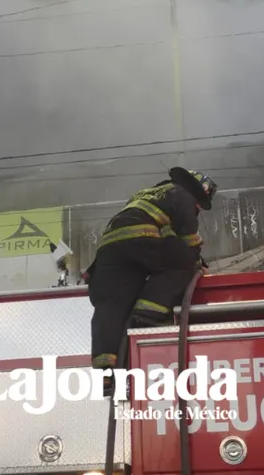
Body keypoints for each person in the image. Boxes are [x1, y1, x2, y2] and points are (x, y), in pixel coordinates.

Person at [85, 167, 217, 393]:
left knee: (112, 305)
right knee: (184, 266)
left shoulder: (147, 194)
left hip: (110, 248)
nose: (197, 209)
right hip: (142, 237)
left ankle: (106, 374)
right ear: (197, 192)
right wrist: (196, 261)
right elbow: (188, 244)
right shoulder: (182, 195)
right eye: (199, 205)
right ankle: (147, 316)